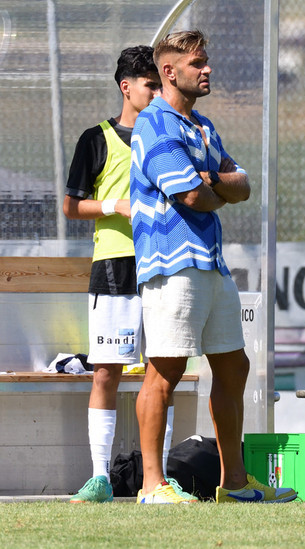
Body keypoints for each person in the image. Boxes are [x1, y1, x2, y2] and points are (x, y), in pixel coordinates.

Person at [130, 29, 296, 504]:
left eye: (207, 61)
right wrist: (215, 187)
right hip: (171, 263)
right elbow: (192, 195)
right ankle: (152, 485)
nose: (207, 70)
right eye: (197, 63)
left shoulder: (202, 126)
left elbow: (241, 185)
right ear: (169, 71)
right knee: (165, 370)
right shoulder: (154, 124)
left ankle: (235, 483)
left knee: (234, 367)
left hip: (211, 262)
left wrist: (216, 183)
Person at [63, 45, 193, 503]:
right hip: (115, 268)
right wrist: (115, 206)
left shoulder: (166, 135)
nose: (158, 91)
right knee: (107, 372)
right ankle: (100, 477)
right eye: (151, 84)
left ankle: (156, 477)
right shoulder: (95, 139)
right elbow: (70, 205)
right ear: (127, 87)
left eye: (161, 84)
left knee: (164, 369)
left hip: (163, 263)